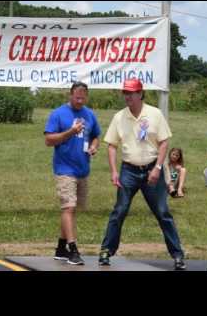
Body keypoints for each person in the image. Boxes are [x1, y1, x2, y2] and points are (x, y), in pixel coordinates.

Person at [98, 78, 186, 271]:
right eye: (125, 93)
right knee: (119, 210)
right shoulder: (119, 117)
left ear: (140, 93)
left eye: (131, 93)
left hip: (151, 168)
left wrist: (157, 168)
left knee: (162, 212)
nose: (127, 96)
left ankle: (178, 255)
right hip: (128, 170)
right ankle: (106, 250)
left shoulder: (154, 114)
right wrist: (114, 171)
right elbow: (112, 146)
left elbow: (164, 142)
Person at [44, 81, 101, 266]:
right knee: (68, 207)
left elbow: (95, 136)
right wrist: (70, 131)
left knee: (73, 209)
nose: (80, 100)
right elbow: (49, 140)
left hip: (82, 169)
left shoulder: (90, 114)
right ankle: (73, 249)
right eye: (77, 97)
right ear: (70, 95)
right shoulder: (58, 114)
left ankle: (60, 248)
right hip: (64, 169)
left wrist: (93, 146)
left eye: (83, 97)